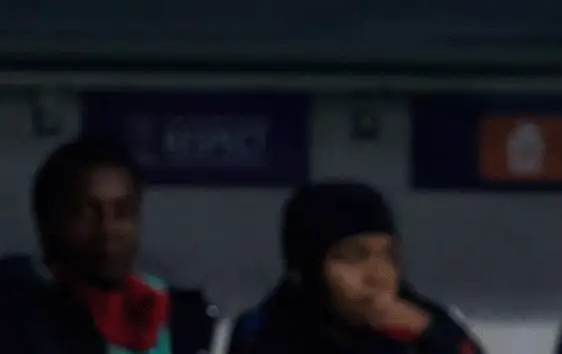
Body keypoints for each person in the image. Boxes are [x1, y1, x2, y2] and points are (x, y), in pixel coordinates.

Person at [0, 137, 216, 354]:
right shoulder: (17, 316)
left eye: (123, 212)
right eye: (86, 213)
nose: (108, 229)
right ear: (48, 223)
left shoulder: (176, 314)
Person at [228, 182, 483, 354]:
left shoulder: (424, 324)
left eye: (388, 257)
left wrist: (431, 337)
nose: (378, 276)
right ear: (303, 270)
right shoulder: (262, 333)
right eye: (354, 257)